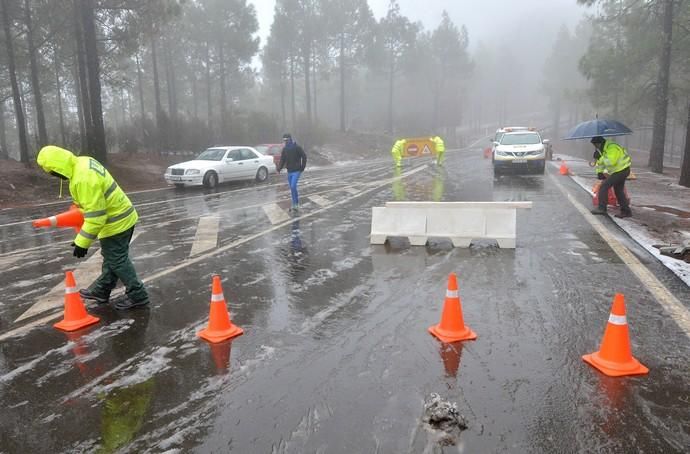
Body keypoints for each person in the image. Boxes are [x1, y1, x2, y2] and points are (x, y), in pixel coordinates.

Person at [36, 145, 149, 310]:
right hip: (120, 216)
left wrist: (82, 242)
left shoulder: (82, 179)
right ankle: (101, 291)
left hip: (116, 223)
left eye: (53, 172)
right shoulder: (82, 162)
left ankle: (138, 295)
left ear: (58, 168)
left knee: (117, 260)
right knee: (112, 258)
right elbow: (90, 204)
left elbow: (96, 216)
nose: (54, 176)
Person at [589, 136, 632, 218]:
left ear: (599, 143)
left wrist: (600, 157)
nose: (595, 147)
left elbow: (611, 162)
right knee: (618, 191)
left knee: (604, 187)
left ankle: (602, 208)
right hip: (618, 171)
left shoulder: (612, 148)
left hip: (622, 170)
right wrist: (600, 172)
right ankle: (626, 211)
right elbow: (602, 163)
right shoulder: (603, 149)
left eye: (595, 145)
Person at [277, 133, 307, 212]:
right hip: (289, 171)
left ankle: (296, 204)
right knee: (292, 188)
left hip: (297, 171)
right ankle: (294, 205)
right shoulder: (285, 149)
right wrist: (279, 168)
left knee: (293, 186)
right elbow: (282, 160)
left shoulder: (297, 147)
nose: (285, 141)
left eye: (286, 140)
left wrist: (302, 167)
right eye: (284, 140)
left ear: (290, 139)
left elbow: (304, 156)